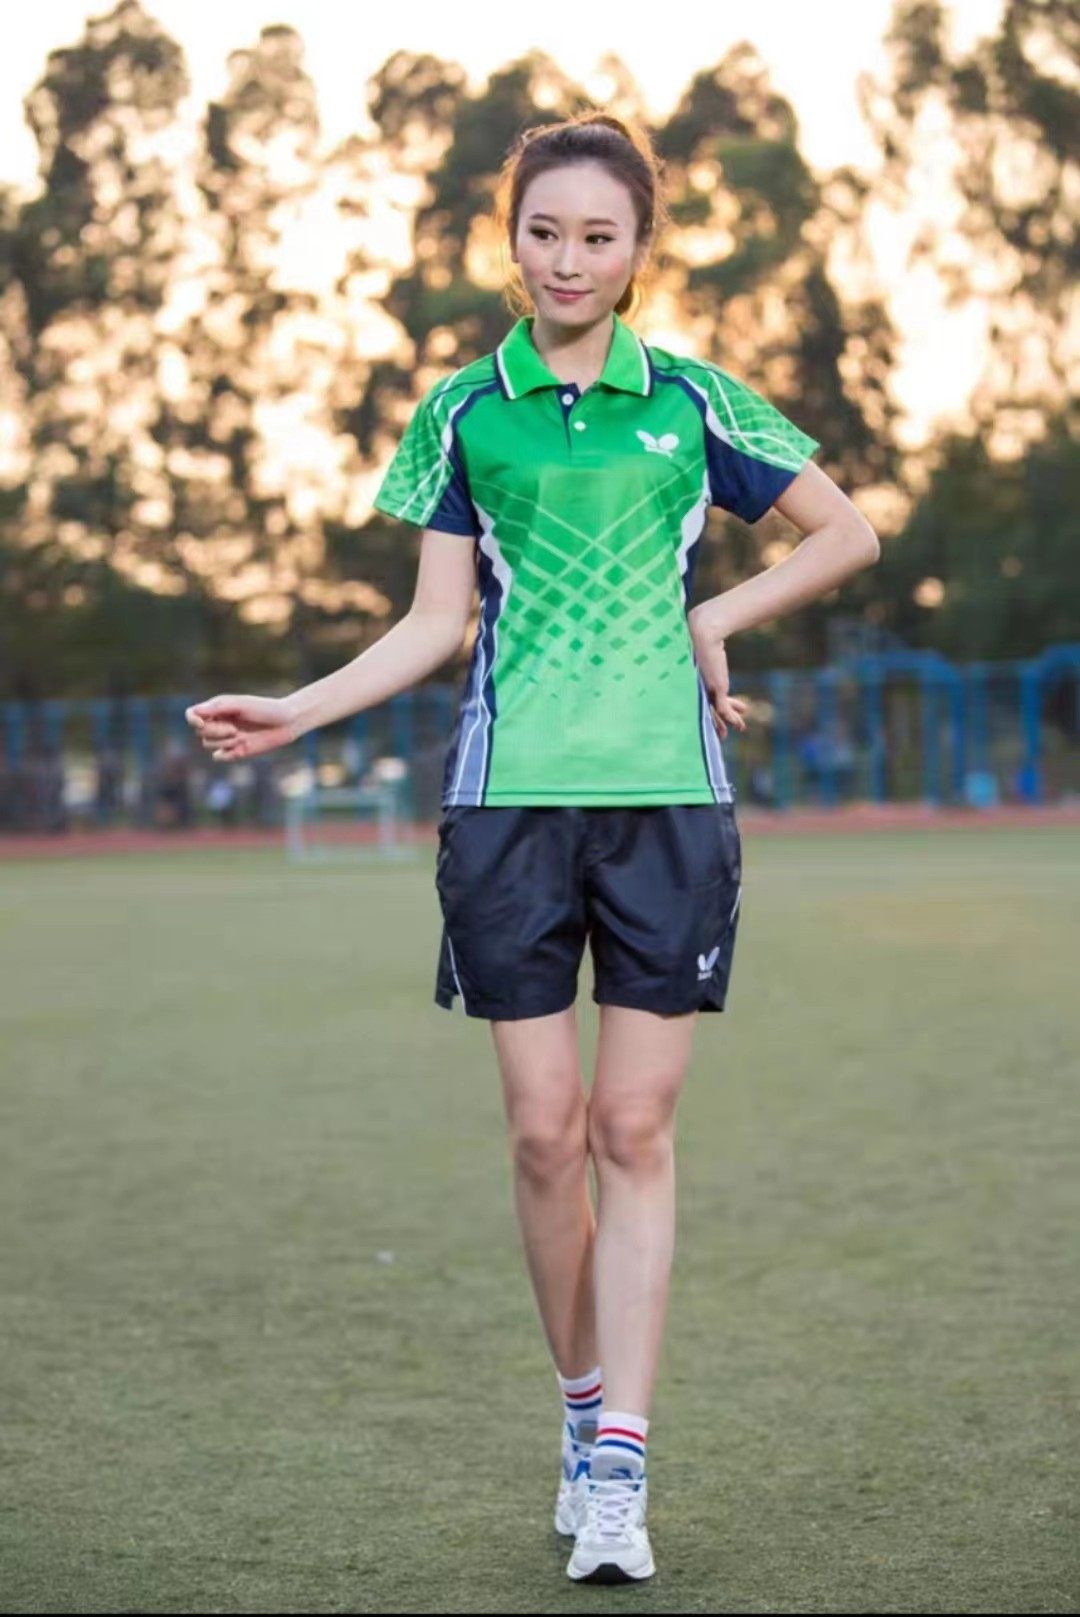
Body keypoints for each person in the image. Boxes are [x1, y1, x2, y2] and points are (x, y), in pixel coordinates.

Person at [185, 110, 880, 1586]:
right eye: (545, 231)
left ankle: (620, 1465)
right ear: (512, 241)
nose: (569, 258)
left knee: (634, 1129)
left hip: (668, 806)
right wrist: (298, 711)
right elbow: (437, 623)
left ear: (638, 250)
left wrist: (713, 615)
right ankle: (578, 1410)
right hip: (505, 806)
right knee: (544, 1133)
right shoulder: (461, 412)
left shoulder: (693, 399)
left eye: (598, 235)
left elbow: (846, 532)